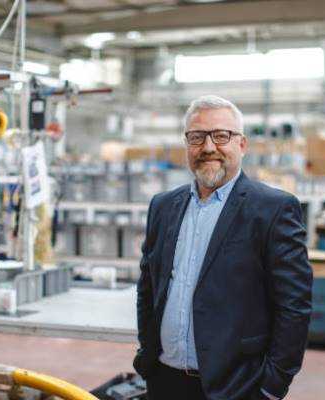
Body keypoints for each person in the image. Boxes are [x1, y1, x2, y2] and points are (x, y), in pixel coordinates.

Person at [133, 95, 312, 400]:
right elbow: (148, 288)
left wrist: (271, 387)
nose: (208, 147)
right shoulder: (163, 206)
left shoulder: (273, 209)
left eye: (221, 135)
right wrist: (147, 354)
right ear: (186, 143)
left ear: (242, 144)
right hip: (164, 380)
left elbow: (294, 306)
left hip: (236, 386)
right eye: (197, 137)